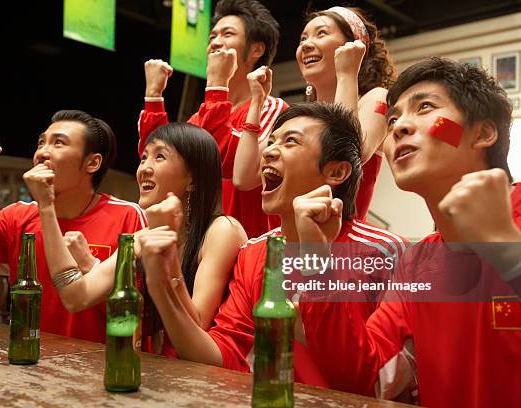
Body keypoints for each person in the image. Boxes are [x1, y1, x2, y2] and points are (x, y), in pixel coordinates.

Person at [299, 57, 521, 407]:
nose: (399, 127)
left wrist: (507, 252)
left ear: (483, 133)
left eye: (425, 107)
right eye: (392, 120)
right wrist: (317, 263)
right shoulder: (418, 263)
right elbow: (363, 377)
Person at [139, 102, 407, 387]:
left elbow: (376, 382)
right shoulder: (253, 253)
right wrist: (161, 280)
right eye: (272, 140)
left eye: (290, 141)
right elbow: (223, 354)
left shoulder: (386, 253)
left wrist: (316, 261)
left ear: (337, 172)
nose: (267, 151)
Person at [0, 110, 146, 343]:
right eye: (41, 142)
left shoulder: (128, 217)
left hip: (102, 371)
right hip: (31, 367)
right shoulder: (17, 219)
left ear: (92, 162)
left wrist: (89, 267)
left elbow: (141, 315)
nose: (43, 152)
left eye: (59, 143)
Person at [24, 123, 247, 349]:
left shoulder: (221, 231)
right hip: (161, 372)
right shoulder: (143, 237)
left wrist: (167, 263)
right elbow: (75, 297)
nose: (144, 169)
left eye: (159, 156)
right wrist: (46, 205)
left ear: (192, 179)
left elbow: (197, 325)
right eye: (143, 158)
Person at [139, 0, 286, 238]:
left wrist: (217, 84)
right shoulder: (202, 114)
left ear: (257, 50)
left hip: (246, 246)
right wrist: (154, 97)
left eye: (227, 34)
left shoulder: (272, 108)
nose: (215, 42)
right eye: (212, 36)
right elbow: (159, 162)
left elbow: (219, 160)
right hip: (198, 244)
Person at [234, 6, 397, 220]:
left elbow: (347, 151)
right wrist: (257, 102)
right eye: (302, 39)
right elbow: (243, 178)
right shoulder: (299, 118)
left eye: (321, 33)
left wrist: (347, 74)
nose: (307, 45)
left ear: (355, 45)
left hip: (338, 246)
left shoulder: (376, 97)